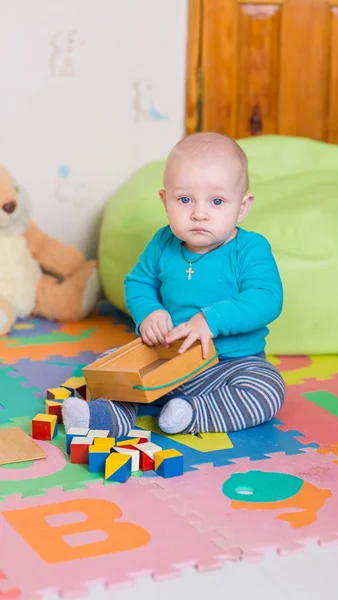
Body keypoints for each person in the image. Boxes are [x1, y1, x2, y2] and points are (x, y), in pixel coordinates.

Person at [63, 132, 285, 437]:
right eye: (184, 199)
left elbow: (267, 298)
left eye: (217, 201)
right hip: (164, 359)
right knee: (108, 367)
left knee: (267, 388)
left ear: (242, 207)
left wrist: (210, 320)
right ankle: (101, 418)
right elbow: (138, 282)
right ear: (165, 201)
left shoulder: (250, 249)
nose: (199, 213)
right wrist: (150, 313)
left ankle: (193, 414)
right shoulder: (163, 242)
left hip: (229, 366)